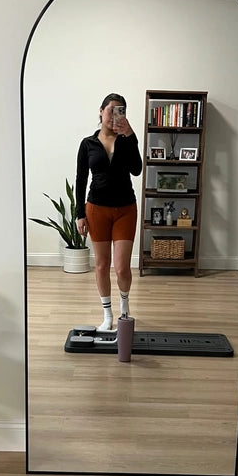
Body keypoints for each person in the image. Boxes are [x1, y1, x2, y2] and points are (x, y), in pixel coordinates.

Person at [76, 93, 142, 331]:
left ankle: (124, 305)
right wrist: (79, 214)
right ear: (101, 111)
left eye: (120, 111)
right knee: (102, 265)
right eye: (111, 110)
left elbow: (137, 169)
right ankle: (107, 314)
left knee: (122, 268)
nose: (114, 115)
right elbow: (81, 179)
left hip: (125, 209)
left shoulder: (126, 140)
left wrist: (131, 135)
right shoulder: (88, 144)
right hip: (97, 209)